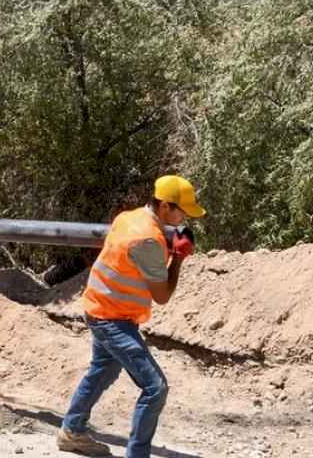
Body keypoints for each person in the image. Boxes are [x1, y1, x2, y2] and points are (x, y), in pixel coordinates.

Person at [57, 175, 204, 457]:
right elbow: (162, 296)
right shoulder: (148, 240)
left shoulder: (130, 217)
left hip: (100, 306)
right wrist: (179, 258)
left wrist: (172, 244)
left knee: (104, 369)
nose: (186, 216)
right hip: (112, 318)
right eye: (182, 210)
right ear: (164, 207)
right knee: (155, 388)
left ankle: (72, 430)